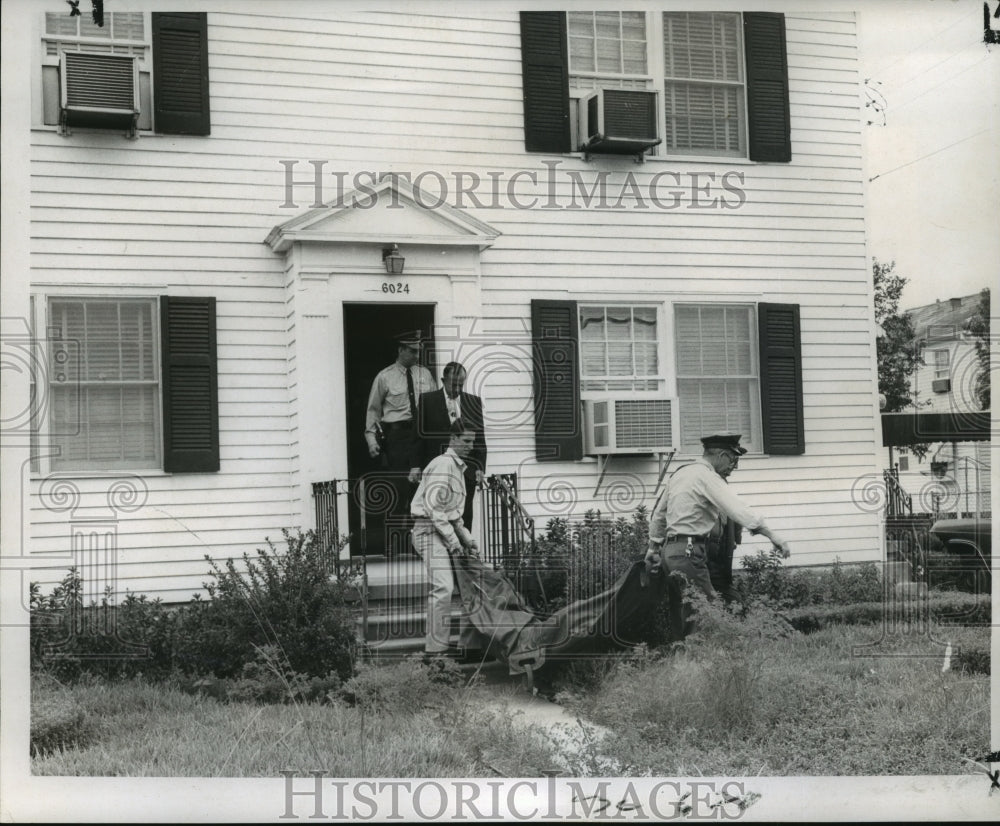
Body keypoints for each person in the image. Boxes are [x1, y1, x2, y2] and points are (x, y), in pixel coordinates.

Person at [645, 433, 791, 603]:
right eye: (733, 460)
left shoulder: (680, 474)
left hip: (670, 553)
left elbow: (660, 515)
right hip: (689, 551)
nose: (734, 467)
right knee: (707, 611)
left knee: (684, 610)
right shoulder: (708, 476)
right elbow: (738, 510)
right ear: (722, 455)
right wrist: (773, 536)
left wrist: (653, 548)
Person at [364, 332, 436, 554]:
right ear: (401, 350)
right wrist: (371, 440)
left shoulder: (425, 374)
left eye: (418, 350)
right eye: (412, 350)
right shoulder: (385, 377)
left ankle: (421, 545)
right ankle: (393, 543)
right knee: (398, 490)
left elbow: (434, 406)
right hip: (398, 438)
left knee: (423, 490)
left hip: (422, 437)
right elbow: (374, 411)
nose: (417, 354)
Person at [411, 418, 479, 655]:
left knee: (474, 584)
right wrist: (454, 541)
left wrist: (467, 540)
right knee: (444, 587)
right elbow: (434, 510)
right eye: (466, 440)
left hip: (442, 529)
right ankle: (434, 652)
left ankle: (468, 645)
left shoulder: (458, 468)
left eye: (473, 441)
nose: (470, 446)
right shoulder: (443, 465)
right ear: (453, 439)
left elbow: (455, 516)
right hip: (428, 531)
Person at [417, 361, 487, 530]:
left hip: (466, 469)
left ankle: (465, 553)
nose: (457, 389)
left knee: (465, 514)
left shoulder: (474, 402)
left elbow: (480, 439)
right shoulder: (427, 400)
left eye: (460, 384)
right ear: (443, 380)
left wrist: (480, 467)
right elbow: (418, 436)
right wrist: (416, 465)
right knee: (438, 512)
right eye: (453, 384)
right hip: (438, 469)